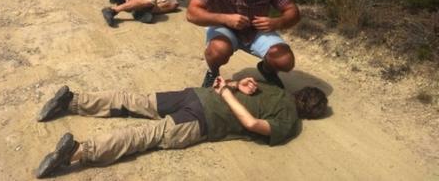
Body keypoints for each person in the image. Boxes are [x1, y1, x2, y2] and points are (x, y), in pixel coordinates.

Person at [35, 76, 328, 178]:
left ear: (301, 94)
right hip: (203, 118)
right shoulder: (289, 120)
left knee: (134, 101)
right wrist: (229, 89)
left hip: (195, 96)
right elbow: (250, 122)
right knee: (144, 135)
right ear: (311, 113)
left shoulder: (279, 92)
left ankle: (73, 101)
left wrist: (231, 85)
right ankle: (77, 152)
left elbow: (247, 99)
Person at [186, 0, 300, 88]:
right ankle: (213, 73)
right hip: (224, 28)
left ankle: (267, 69)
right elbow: (191, 13)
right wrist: (225, 18)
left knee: (285, 61)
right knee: (217, 50)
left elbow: (293, 11)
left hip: (256, 30)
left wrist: (277, 22)